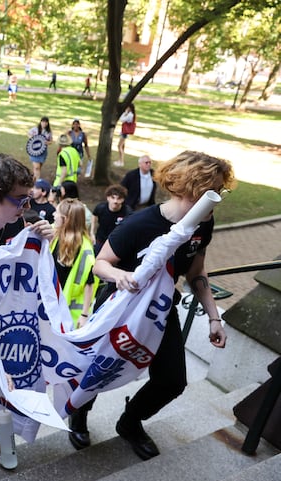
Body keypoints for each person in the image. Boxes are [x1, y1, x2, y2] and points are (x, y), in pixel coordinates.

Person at [69, 151, 236, 459]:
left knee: (172, 380)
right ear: (189, 189)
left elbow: (196, 272)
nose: (216, 201)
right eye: (210, 191)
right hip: (120, 308)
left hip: (159, 310)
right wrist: (122, 276)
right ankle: (78, 413)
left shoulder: (203, 224)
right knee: (97, 368)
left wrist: (214, 317)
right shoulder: (140, 223)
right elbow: (101, 265)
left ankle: (130, 422)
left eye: (219, 191)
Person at [0, 154, 55, 468]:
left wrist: (42, 240)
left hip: (8, 329)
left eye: (28, 199)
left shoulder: (18, 225)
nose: (26, 208)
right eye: (19, 200)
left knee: (8, 386)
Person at [50, 198, 98, 327]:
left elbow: (90, 283)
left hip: (71, 314)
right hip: (53, 305)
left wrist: (84, 315)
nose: (53, 215)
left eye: (56, 213)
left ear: (65, 219)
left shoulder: (85, 249)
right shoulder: (54, 234)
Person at [91, 184, 132, 254]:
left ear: (123, 199)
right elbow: (94, 215)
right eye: (113, 198)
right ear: (108, 198)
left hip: (117, 242)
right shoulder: (100, 208)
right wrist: (92, 232)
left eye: (119, 198)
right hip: (101, 240)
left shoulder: (127, 212)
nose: (115, 201)